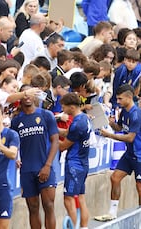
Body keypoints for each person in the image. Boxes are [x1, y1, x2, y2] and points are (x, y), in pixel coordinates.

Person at [96, 84, 141, 221]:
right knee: (115, 178)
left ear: (128, 97)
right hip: (130, 154)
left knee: (140, 187)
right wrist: (109, 122)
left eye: (120, 99)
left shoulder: (136, 114)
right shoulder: (124, 112)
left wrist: (108, 135)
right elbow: (120, 127)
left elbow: (130, 137)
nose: (118, 102)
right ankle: (112, 213)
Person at [11, 84, 59, 229]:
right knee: (33, 208)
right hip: (26, 171)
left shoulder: (46, 115)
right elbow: (13, 144)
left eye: (30, 94)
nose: (27, 97)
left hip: (45, 167)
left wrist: (47, 165)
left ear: (35, 96)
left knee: (49, 205)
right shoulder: (16, 121)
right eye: (24, 94)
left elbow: (55, 140)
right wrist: (15, 158)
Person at [59, 92, 91, 228]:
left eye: (63, 107)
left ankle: (74, 227)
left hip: (74, 164)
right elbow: (68, 133)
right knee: (81, 197)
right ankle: (84, 227)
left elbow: (62, 146)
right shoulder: (84, 118)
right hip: (83, 163)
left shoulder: (77, 124)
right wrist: (53, 129)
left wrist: (49, 138)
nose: (62, 110)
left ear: (71, 107)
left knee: (69, 198)